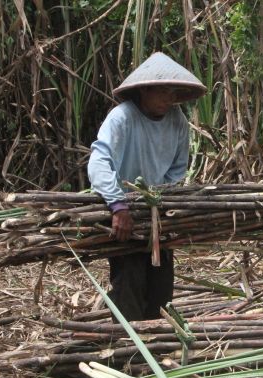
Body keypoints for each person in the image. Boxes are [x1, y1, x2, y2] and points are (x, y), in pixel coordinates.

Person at [87, 52, 206, 321]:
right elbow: (98, 163)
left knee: (161, 291)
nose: (169, 98)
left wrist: (164, 203)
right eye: (162, 91)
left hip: (158, 214)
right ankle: (126, 352)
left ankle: (154, 346)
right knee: (129, 284)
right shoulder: (122, 118)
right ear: (143, 90)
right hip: (125, 213)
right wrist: (118, 206)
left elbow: (177, 169)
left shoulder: (177, 120)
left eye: (172, 91)